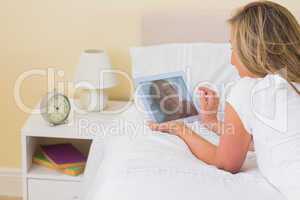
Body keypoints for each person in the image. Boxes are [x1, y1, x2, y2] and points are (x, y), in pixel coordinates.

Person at [148, 1, 300, 199]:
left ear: (252, 52)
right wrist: (211, 122)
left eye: (233, 49)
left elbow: (226, 163)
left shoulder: (247, 90)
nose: (231, 61)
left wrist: (180, 129)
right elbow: (272, 140)